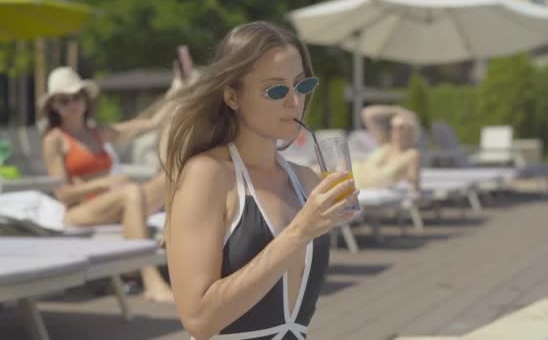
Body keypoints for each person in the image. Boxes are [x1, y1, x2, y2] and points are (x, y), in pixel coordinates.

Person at [162, 21, 360, 339]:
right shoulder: (208, 175)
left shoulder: (305, 179)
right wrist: (298, 232)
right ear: (232, 97)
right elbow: (199, 320)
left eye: (302, 86)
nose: (294, 102)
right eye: (276, 90)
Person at [39, 66, 175, 303]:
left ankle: (185, 246)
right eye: (64, 100)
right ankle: (150, 279)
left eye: (77, 96)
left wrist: (177, 93)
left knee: (172, 177)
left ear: (85, 99)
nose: (72, 103)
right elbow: (63, 194)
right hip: (80, 212)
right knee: (130, 192)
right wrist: (105, 181)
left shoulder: (97, 133)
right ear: (54, 107)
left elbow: (150, 123)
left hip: (116, 204)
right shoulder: (54, 140)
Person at [352, 104, 421, 191]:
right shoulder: (385, 142)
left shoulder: (411, 155)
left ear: (410, 130)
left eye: (401, 127)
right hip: (351, 176)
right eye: (393, 127)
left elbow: (415, 188)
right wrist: (397, 110)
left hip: (361, 192)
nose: (396, 131)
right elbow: (367, 113)